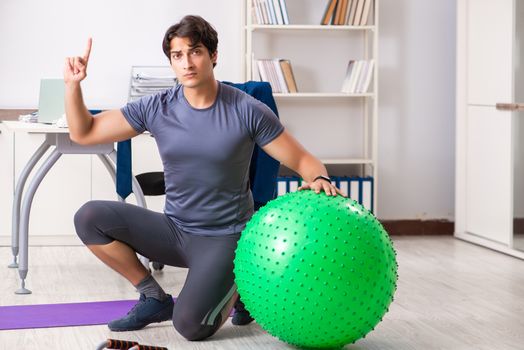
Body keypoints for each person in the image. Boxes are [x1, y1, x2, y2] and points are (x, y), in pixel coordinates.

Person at [65, 15, 343, 341]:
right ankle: (153, 297)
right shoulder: (158, 107)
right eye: (177, 55)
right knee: (90, 217)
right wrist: (73, 86)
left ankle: (242, 285)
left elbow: (300, 159)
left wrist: (320, 177)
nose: (187, 63)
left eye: (195, 52)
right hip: (175, 230)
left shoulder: (247, 109)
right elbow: (85, 132)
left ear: (213, 55)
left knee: (191, 327)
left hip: (227, 238)